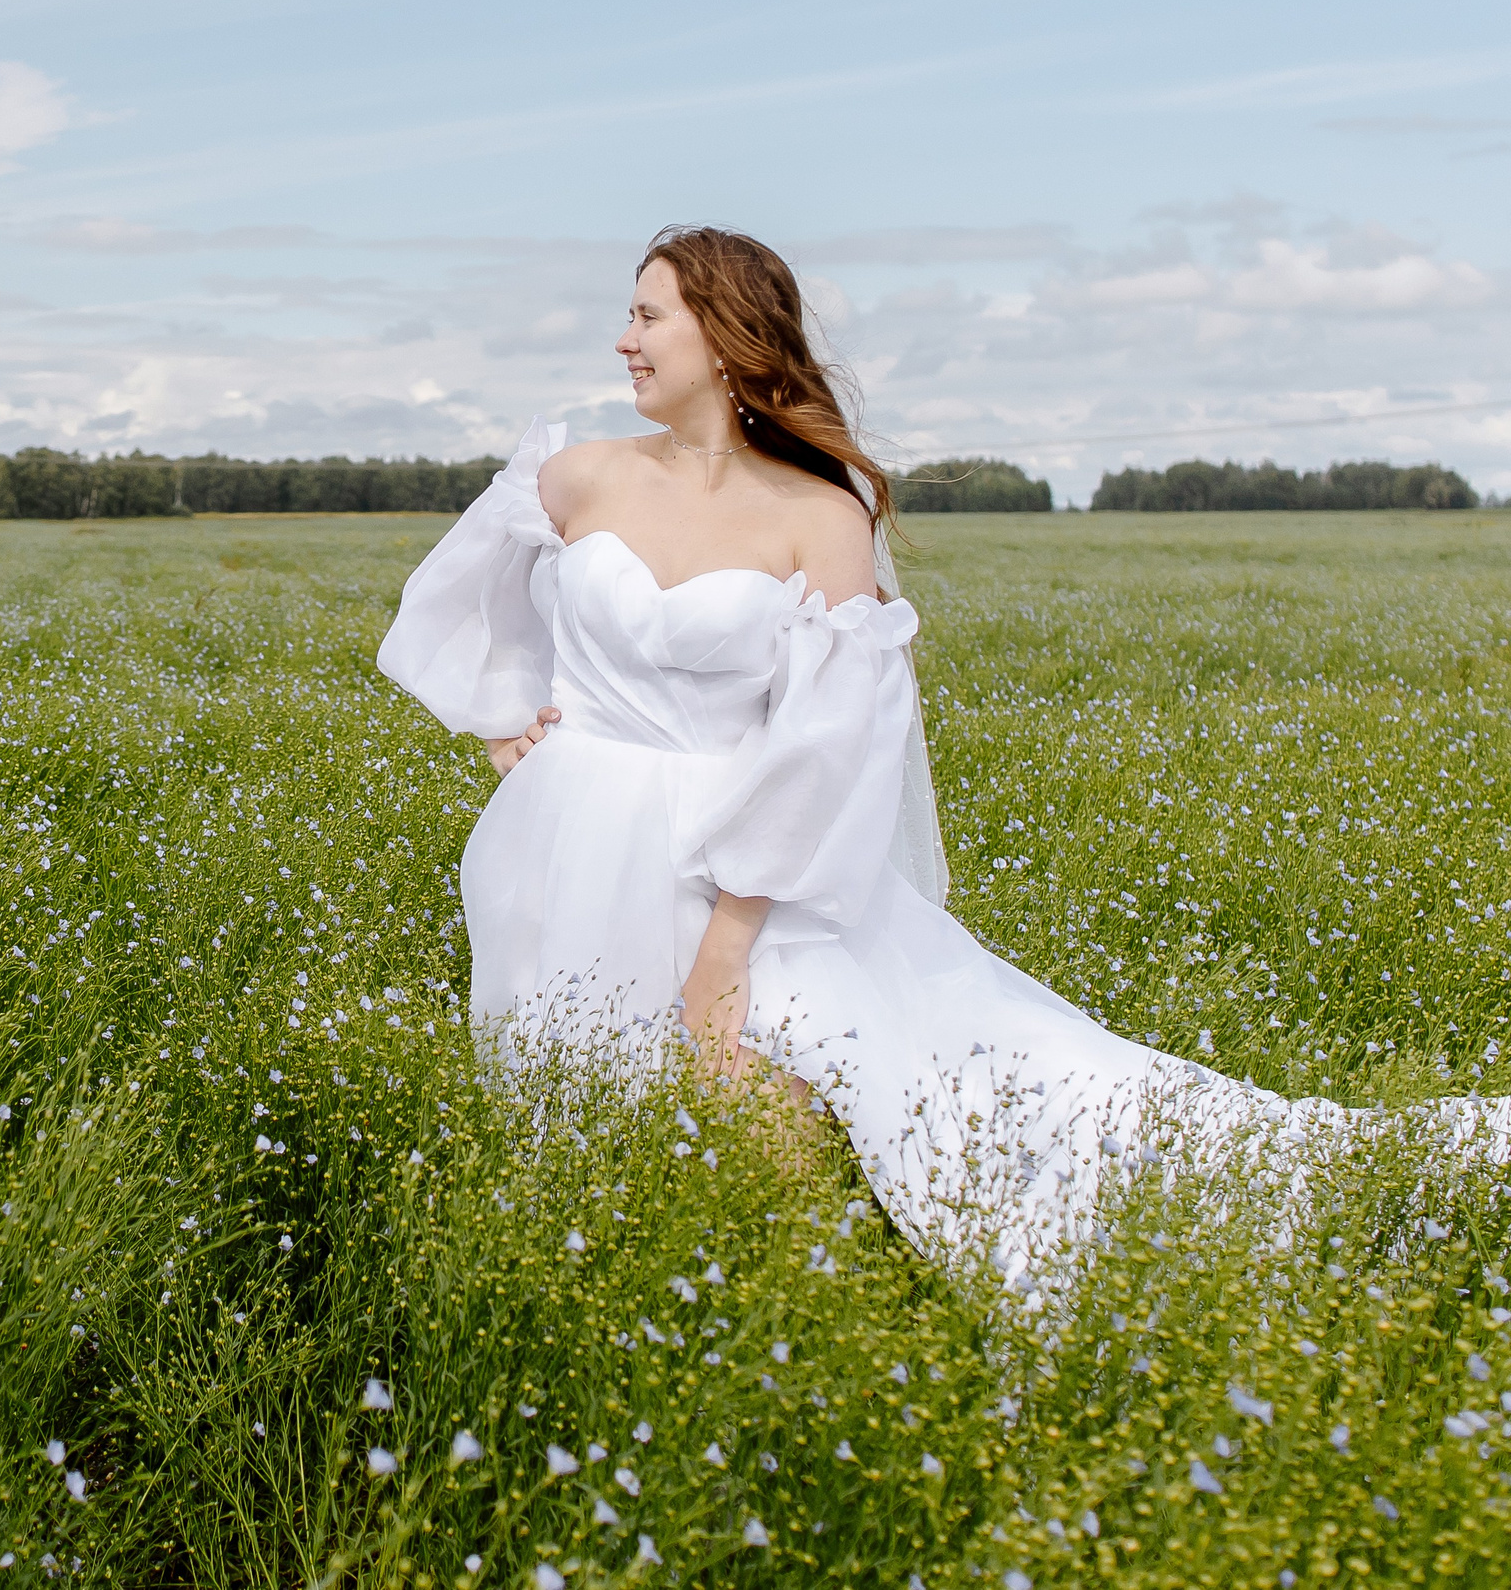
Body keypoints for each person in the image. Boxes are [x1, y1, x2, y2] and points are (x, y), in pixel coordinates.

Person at [377, 225, 1509, 1297]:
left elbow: (825, 751)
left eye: (646, 315)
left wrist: (726, 946)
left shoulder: (819, 517)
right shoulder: (576, 474)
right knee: (569, 1091)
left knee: (837, 1072)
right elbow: (465, 589)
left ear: (725, 337)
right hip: (562, 837)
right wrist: (498, 719)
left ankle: (812, 1289)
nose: (622, 340)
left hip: (725, 862)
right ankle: (602, 1269)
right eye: (626, 316)